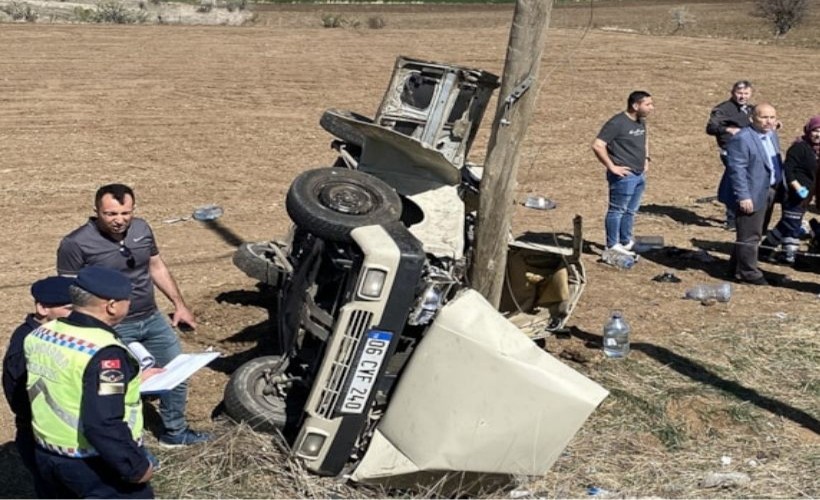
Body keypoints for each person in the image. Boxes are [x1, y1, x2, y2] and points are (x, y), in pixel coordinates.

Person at [57, 183, 210, 447]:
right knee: (120, 386)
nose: (119, 220)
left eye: (125, 213)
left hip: (151, 318)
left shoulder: (141, 229)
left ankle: (175, 432)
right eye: (111, 214)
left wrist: (179, 304)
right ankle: (127, 444)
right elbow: (69, 293)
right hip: (113, 327)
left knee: (175, 373)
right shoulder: (75, 244)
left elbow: (156, 266)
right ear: (96, 211)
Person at [24, 266, 154, 498]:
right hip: (95, 464)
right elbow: (103, 421)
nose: (130, 305)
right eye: (128, 300)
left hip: (48, 455)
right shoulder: (106, 354)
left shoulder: (41, 333)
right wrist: (135, 467)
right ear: (112, 305)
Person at [2, 276, 73, 496]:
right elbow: (18, 396)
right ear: (42, 308)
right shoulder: (27, 343)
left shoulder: (59, 334)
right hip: (40, 437)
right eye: (70, 308)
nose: (78, 313)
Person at [718, 103, 784, 285]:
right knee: (750, 235)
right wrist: (743, 196)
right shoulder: (742, 139)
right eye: (763, 117)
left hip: (768, 190)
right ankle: (749, 273)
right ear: (752, 119)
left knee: (754, 232)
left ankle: (735, 267)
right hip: (751, 194)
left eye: (772, 117)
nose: (768, 121)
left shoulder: (771, 135)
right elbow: (736, 170)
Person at [592, 90, 654, 261]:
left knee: (630, 211)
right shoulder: (617, 123)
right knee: (617, 210)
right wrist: (612, 167)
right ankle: (612, 245)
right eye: (648, 104)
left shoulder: (640, 122)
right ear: (635, 105)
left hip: (639, 174)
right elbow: (598, 145)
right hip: (624, 176)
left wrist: (646, 158)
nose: (651, 108)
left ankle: (625, 241)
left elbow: (644, 140)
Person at [761, 115, 820, 264]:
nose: (818, 134)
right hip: (794, 193)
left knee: (789, 222)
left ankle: (775, 251)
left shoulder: (817, 151)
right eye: (815, 130)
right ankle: (777, 252)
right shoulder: (799, 147)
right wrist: (797, 187)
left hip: (807, 195)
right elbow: (788, 170)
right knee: (791, 223)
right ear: (808, 131)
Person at [706, 80, 754, 230]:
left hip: (748, 151)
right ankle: (732, 219)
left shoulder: (750, 109)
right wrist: (727, 129)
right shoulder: (723, 109)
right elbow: (711, 127)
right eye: (739, 93)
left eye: (746, 94)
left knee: (742, 181)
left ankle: (741, 215)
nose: (742, 96)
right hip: (731, 151)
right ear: (732, 93)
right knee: (735, 182)